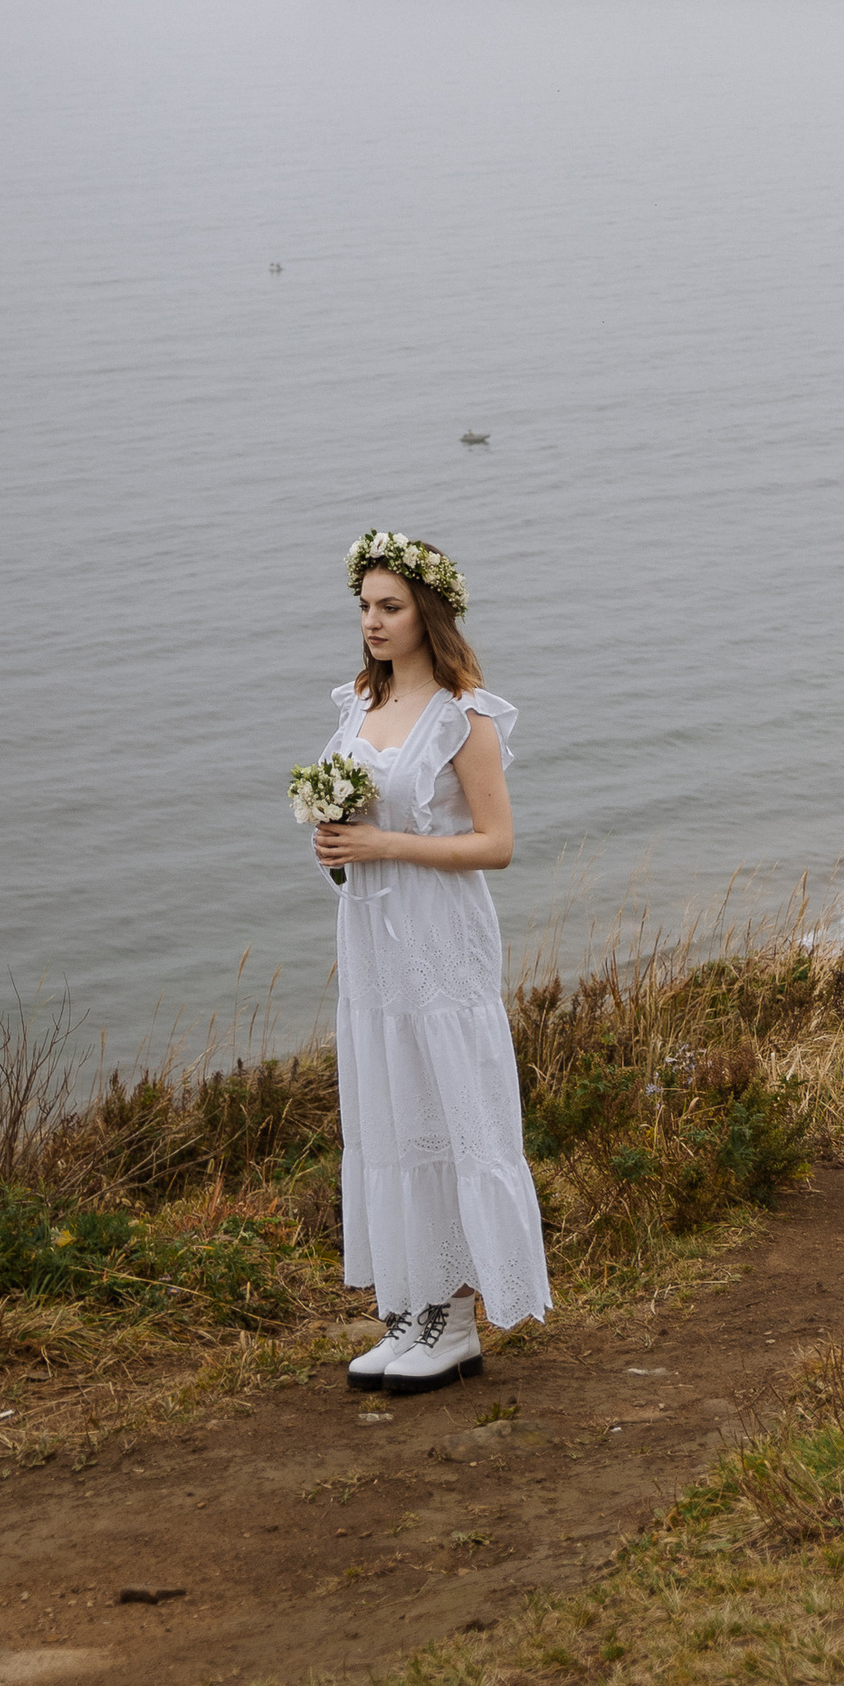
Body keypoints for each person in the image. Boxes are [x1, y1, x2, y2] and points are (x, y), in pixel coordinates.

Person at [310, 529, 551, 1394]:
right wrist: (338, 847)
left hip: (440, 936)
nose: (372, 621)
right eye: (365, 606)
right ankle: (412, 1310)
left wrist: (384, 841)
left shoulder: (464, 715)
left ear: (428, 611)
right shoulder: (357, 707)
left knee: (450, 1110)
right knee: (392, 1111)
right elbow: (361, 829)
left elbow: (498, 844)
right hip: (373, 939)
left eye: (390, 605)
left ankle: (454, 1320)